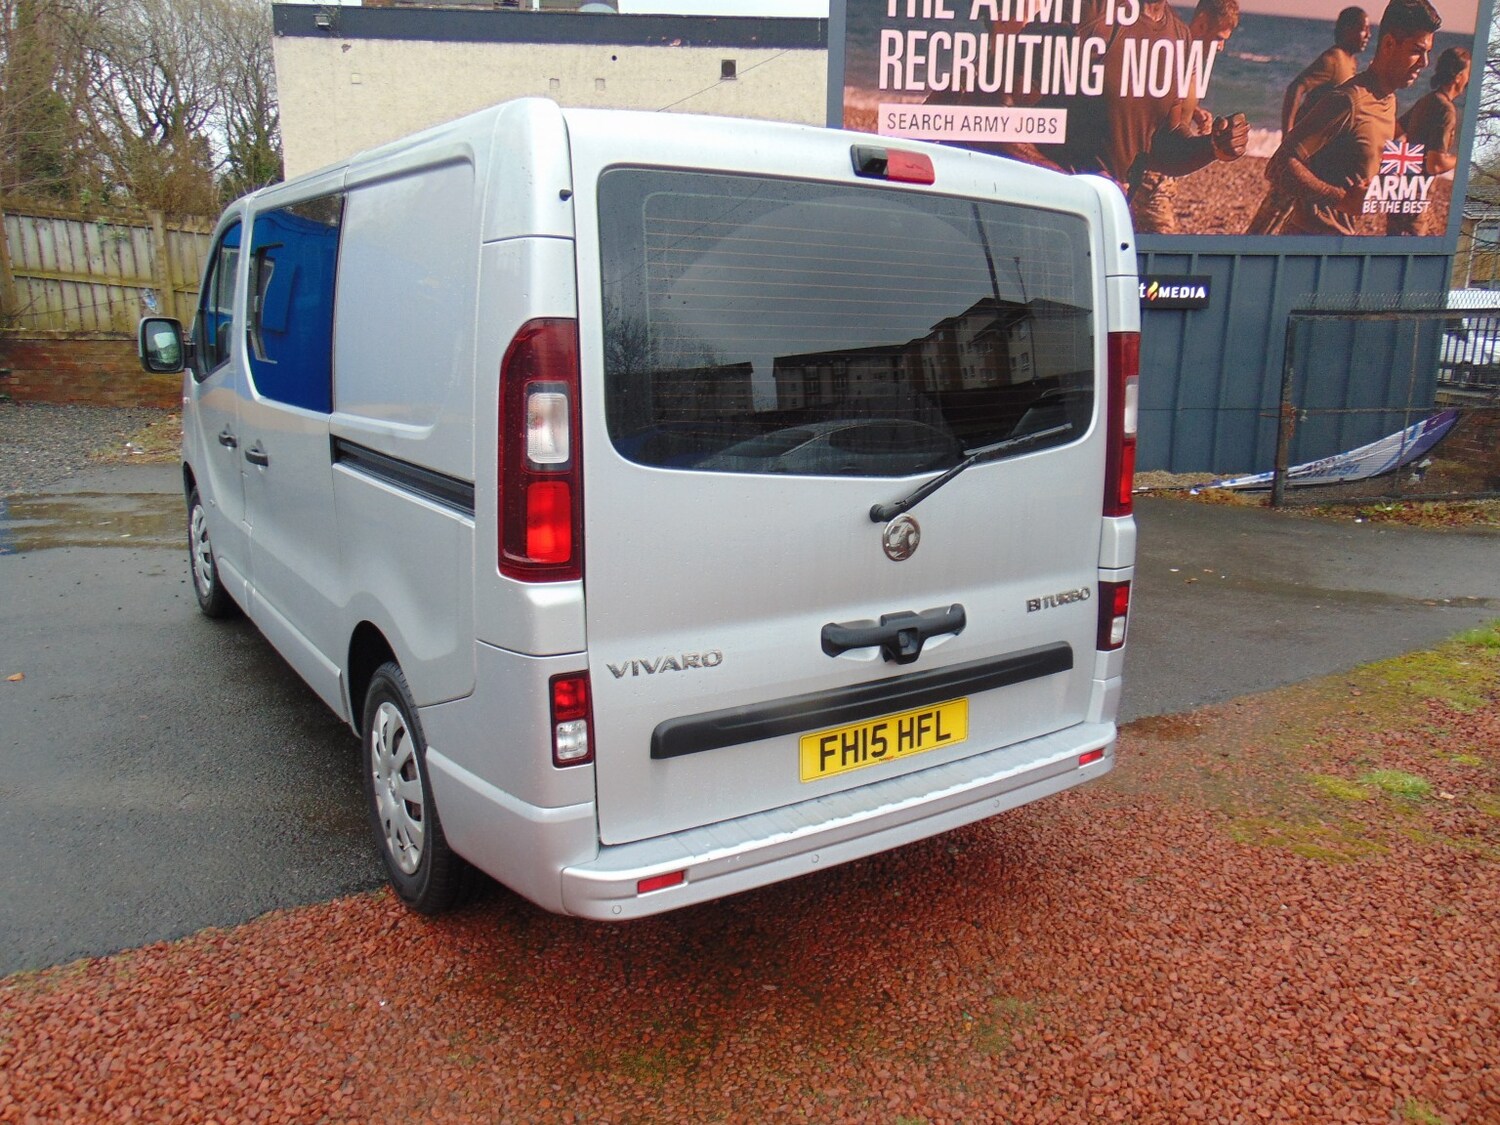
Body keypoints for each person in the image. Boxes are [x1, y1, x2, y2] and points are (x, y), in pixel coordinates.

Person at [992, 0, 1248, 194]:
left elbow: (1159, 146)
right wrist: (1072, 183)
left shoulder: (1179, 36)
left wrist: (1213, 147)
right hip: (1038, 208)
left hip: (1105, 221)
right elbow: (989, 111)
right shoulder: (1090, 13)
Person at [1247, 0, 1441, 236]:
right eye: (1416, 51)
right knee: (1257, 234)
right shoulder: (1349, 99)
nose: (1425, 63)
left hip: (1342, 242)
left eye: (1428, 53)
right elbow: (1278, 166)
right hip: (1307, 243)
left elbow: (1361, 162)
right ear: (1389, 43)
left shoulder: (1388, 101)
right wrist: (1340, 199)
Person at [1130, 0, 1243, 234]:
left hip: (1166, 167)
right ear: (1201, 24)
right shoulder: (1170, 50)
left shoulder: (1188, 56)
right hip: (1150, 170)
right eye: (1219, 37)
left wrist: (1195, 113)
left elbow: (1173, 101)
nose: (1221, 47)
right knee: (1160, 243)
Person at [1387, 46, 1470, 235]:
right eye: (1468, 73)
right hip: (1416, 198)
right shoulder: (1446, 110)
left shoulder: (1427, 100)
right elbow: (1435, 164)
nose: (1468, 78)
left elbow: (1394, 131)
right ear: (1457, 76)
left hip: (1398, 192)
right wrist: (1462, 158)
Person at [1282, 8, 1372, 134]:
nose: (1369, 35)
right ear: (1348, 29)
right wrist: (1287, 133)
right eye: (1363, 29)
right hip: (1307, 140)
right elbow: (1296, 87)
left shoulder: (1351, 60)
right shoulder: (1332, 59)